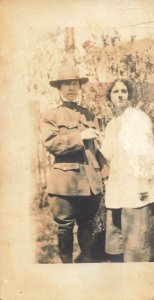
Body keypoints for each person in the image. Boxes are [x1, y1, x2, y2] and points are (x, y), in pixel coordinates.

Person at [40, 61, 108, 263]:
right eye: (67, 84)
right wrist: (81, 136)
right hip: (65, 185)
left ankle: (85, 265)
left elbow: (97, 151)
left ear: (79, 87)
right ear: (59, 87)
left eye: (75, 84)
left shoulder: (89, 114)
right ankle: (67, 269)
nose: (72, 88)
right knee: (65, 228)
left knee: (87, 226)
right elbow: (52, 144)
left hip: (90, 184)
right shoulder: (50, 116)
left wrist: (105, 174)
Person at [100, 79, 154, 262]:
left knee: (137, 243)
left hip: (137, 186)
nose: (120, 95)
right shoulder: (112, 123)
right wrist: (96, 139)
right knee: (120, 241)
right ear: (110, 97)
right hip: (118, 187)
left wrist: (144, 182)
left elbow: (146, 152)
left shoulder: (138, 118)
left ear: (129, 95)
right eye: (115, 91)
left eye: (124, 91)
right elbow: (108, 153)